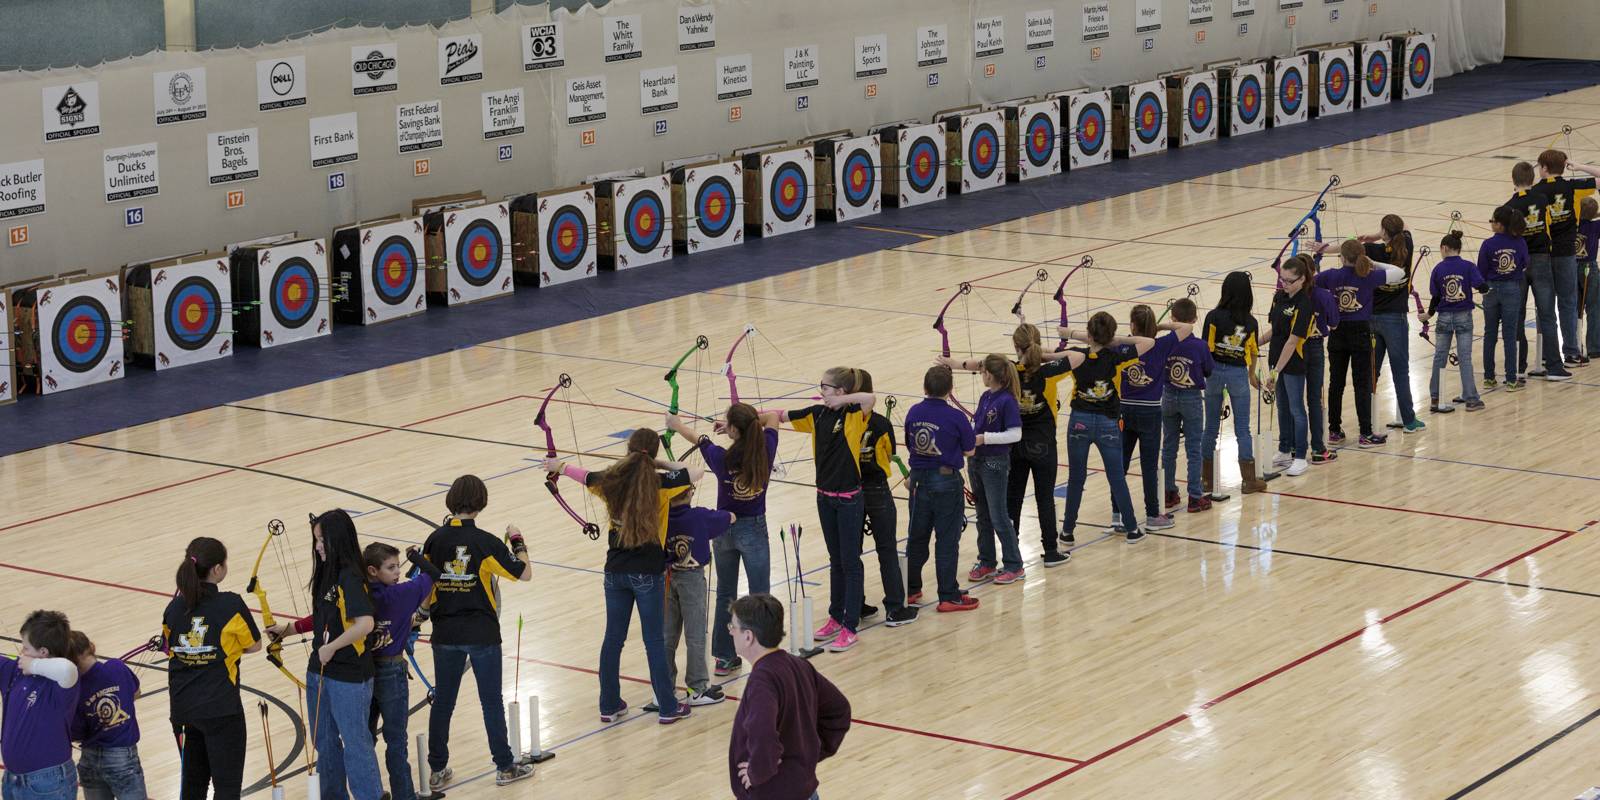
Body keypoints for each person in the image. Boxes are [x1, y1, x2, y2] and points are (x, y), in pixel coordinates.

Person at [544, 431, 695, 724]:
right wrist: (658, 463)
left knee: (613, 639)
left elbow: (584, 475)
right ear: (650, 456)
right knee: (653, 640)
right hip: (648, 573)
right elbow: (693, 472)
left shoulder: (610, 482)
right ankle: (667, 706)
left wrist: (559, 467)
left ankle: (609, 704)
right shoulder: (661, 484)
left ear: (628, 451)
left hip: (615, 571)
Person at [417, 475, 537, 790]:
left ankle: (437, 770)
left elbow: (426, 589)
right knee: (490, 702)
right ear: (480, 503)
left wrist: (418, 617)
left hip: (445, 633)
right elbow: (524, 573)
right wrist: (517, 540)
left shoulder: (434, 540)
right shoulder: (485, 542)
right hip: (482, 633)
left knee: (443, 701)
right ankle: (504, 766)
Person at [266, 510, 380, 800]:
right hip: (320, 672)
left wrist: (331, 647)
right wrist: (288, 629)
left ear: (337, 540)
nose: (317, 546)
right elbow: (325, 616)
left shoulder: (351, 577)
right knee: (324, 742)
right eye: (316, 539)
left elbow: (365, 623)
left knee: (356, 744)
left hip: (349, 677)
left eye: (322, 540)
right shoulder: (327, 573)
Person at [667, 402, 782, 676]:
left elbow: (699, 439)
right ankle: (763, 654)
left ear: (734, 430)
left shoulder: (721, 458)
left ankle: (725, 657)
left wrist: (676, 425)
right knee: (760, 594)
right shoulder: (766, 448)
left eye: (728, 424)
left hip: (723, 529)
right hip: (753, 529)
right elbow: (773, 417)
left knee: (725, 595)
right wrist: (740, 425)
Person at [776, 369, 877, 652]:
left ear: (841, 391)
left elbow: (871, 398)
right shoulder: (816, 414)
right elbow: (780, 415)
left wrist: (843, 402)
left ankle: (850, 625)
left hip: (848, 499)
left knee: (850, 561)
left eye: (826, 387)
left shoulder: (855, 414)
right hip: (825, 497)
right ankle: (835, 616)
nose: (822, 391)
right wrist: (743, 419)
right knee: (836, 559)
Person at [725, 594, 851, 800]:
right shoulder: (798, 664)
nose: (730, 632)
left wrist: (756, 773)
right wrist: (809, 753)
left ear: (748, 636)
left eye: (733, 627)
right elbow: (840, 710)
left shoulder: (762, 681)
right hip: (805, 790)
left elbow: (763, 734)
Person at [162, 538, 260, 800]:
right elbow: (254, 645)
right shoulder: (230, 605)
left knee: (192, 787)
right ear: (217, 569)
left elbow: (168, 647)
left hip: (182, 711)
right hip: (221, 710)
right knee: (226, 789)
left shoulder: (173, 609)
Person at [1057, 312, 1158, 544]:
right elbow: (1148, 342)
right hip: (1108, 423)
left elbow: (1045, 356)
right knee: (1116, 477)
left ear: (1089, 334)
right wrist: (1114, 340)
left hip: (1080, 421)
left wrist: (1071, 335)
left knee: (1076, 478)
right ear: (1110, 335)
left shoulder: (1076, 356)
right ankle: (1132, 529)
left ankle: (1067, 532)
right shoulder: (1117, 355)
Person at [936, 354, 1026, 583]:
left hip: (995, 462)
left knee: (998, 516)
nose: (981, 376)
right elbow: (979, 424)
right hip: (977, 461)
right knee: (983, 515)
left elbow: (1015, 434)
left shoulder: (1007, 400)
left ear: (992, 375)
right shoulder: (987, 396)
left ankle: (1014, 565)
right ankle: (987, 561)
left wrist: (983, 438)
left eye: (984, 372)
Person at [360, 543, 439, 800]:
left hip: (364, 672)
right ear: (372, 570)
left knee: (364, 739)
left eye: (398, 567)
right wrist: (414, 557)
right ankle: (404, 795)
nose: (397, 572)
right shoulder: (400, 595)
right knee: (396, 741)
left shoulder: (358, 594)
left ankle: (371, 792)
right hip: (391, 671)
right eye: (391, 568)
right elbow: (433, 574)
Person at [1314, 239, 1406, 448]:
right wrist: (1373, 262)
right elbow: (1399, 272)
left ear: (1343, 257)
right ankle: (1365, 433)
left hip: (1337, 332)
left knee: (1335, 383)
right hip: (1360, 332)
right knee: (1361, 383)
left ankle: (1334, 430)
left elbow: (1312, 282)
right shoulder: (1368, 275)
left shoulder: (1331, 275)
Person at [650, 484, 734, 712]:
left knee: (667, 636)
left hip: (667, 578)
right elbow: (729, 517)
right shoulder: (699, 516)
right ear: (689, 493)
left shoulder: (660, 515)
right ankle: (697, 689)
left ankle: (662, 692)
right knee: (695, 635)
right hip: (692, 580)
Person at [903, 364, 978, 612]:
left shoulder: (914, 412)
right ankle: (948, 595)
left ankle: (911, 589)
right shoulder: (956, 417)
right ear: (950, 390)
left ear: (925, 388)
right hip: (945, 481)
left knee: (917, 537)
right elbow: (969, 450)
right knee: (946, 541)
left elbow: (910, 444)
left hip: (918, 481)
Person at [849, 370, 917, 622]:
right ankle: (895, 608)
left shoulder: (843, 422)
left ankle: (853, 605)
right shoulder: (880, 423)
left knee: (851, 551)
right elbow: (888, 454)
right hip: (876, 488)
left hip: (851, 490)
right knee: (887, 549)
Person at [1003, 323, 1073, 566]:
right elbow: (1078, 357)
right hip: (1043, 445)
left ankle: (1010, 555)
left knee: (1013, 499)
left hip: (1015, 444)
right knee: (1044, 499)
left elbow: (978, 365)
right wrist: (1045, 356)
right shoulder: (1049, 371)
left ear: (1015, 346)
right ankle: (1051, 551)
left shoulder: (1008, 370)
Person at [1117, 305, 1187, 530]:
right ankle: (1152, 515)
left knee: (1120, 464)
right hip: (1149, 411)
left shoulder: (1125, 345)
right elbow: (1186, 327)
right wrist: (1161, 326)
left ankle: (1116, 515)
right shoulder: (1161, 344)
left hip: (1124, 409)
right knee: (1148, 466)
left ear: (1133, 326)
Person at [1, 611, 81, 800]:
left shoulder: (60, 683)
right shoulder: (15, 671)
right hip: (13, 779)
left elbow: (67, 669)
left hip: (49, 782)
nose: (22, 653)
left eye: (26, 648)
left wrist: (34, 665)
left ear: (43, 652)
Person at [1533, 149, 1600, 368]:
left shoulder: (1535, 192)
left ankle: (1545, 353)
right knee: (1568, 301)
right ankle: (1571, 353)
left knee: (1544, 304)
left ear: (1543, 168)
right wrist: (1578, 166)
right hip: (1566, 253)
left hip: (1542, 253)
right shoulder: (1572, 187)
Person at [1200, 272, 1263, 497]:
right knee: (1242, 429)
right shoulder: (1251, 321)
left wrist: (1206, 374)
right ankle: (1248, 480)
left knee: (1210, 428)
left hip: (1214, 372)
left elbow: (1206, 349)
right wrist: (1252, 375)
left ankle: (1206, 481)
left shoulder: (1213, 317)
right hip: (1238, 374)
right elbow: (1254, 351)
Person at [1362, 214, 1424, 432]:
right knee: (1400, 370)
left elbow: (1348, 249)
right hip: (1395, 319)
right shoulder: (1406, 244)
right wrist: (1379, 233)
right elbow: (1405, 225)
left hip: (1372, 318)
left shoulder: (1371, 251)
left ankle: (1366, 422)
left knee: (1371, 372)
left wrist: (1371, 238)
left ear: (1384, 233)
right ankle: (1408, 420)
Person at [68, 631, 146, 800]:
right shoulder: (117, 667)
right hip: (122, 759)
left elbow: (77, 733)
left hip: (89, 759)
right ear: (92, 647)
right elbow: (136, 692)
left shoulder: (74, 689)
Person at [1419, 230, 1488, 412]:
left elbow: (1435, 297)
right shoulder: (1468, 266)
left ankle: (1435, 398)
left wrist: (1428, 315)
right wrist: (1484, 289)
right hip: (1464, 316)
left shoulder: (1438, 269)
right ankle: (1471, 399)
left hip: (1443, 317)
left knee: (1439, 357)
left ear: (1444, 248)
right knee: (1465, 358)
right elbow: (1482, 286)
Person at [1505, 162, 1560, 380]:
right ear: (1533, 179)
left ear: (1513, 179)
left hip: (1518, 262)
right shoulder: (1541, 199)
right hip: (1540, 258)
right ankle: (1554, 366)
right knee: (1547, 313)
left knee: (1516, 314)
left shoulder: (1508, 206)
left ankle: (1518, 367)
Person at [1160, 298, 1215, 513]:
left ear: (1172, 319)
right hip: (1191, 398)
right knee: (1193, 448)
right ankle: (1194, 496)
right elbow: (1209, 371)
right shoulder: (1200, 345)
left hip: (1168, 396)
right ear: (1194, 319)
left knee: (1169, 446)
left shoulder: (1165, 342)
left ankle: (1168, 492)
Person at [1263, 256, 1317, 476]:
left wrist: (1276, 372)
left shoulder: (1304, 305)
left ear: (1302, 279)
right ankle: (1284, 449)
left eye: (1288, 281)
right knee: (1282, 407)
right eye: (1282, 280)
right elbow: (1275, 330)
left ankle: (1301, 456)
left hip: (1292, 363)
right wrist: (1252, 343)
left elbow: (1293, 340)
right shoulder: (1279, 297)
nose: (1284, 285)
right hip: (1276, 359)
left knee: (1296, 408)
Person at [1479, 205, 1531, 390]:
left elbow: (1481, 270)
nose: (1491, 223)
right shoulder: (1520, 242)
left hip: (1491, 290)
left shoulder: (1487, 244)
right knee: (1510, 335)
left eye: (1493, 221)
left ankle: (1488, 378)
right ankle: (1510, 379)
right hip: (1512, 289)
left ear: (1500, 225)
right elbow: (1525, 263)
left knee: (1490, 334)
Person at [1301, 251, 1340, 464]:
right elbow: (1334, 324)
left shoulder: (1288, 295)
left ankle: (1291, 449)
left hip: (1293, 349)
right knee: (1314, 399)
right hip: (1314, 347)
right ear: (1313, 273)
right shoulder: (1323, 295)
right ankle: (1317, 448)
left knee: (1293, 401)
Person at [1579, 197, 1600, 359]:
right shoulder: (1595, 225)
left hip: (1571, 268)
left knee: (1573, 309)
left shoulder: (1573, 225)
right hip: (1589, 269)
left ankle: (1574, 347)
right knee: (1593, 308)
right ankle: (1593, 347)